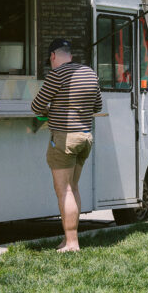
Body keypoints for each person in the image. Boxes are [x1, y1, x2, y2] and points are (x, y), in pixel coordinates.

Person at [31, 38, 102, 252]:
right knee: (73, 188)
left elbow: (36, 105)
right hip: (85, 138)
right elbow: (97, 105)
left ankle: (72, 242)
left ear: (53, 56)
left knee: (64, 190)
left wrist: (50, 110)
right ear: (69, 54)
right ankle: (68, 238)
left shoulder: (57, 74)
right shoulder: (90, 72)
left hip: (65, 138)